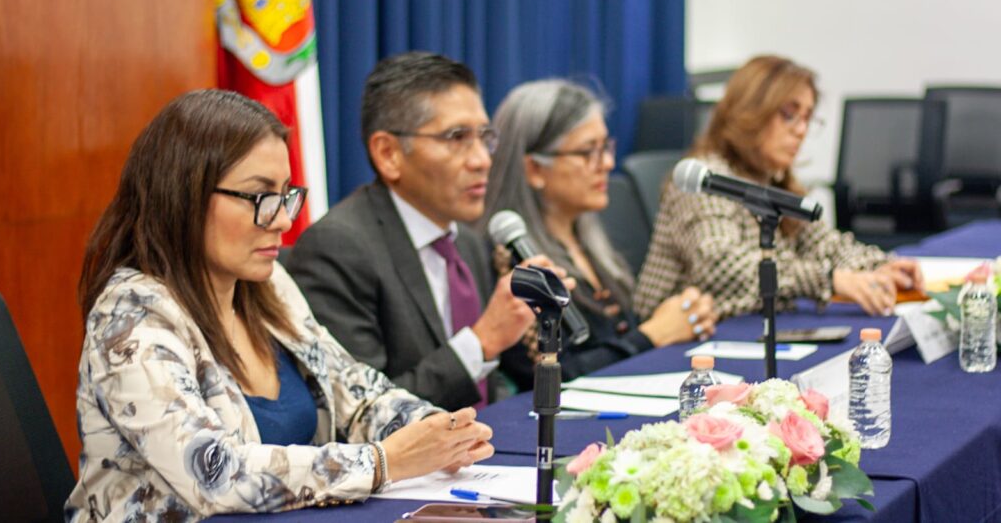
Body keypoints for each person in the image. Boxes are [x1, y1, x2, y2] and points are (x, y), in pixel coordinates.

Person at [67, 90, 493, 521]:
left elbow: (359, 395)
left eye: (287, 195)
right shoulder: (131, 315)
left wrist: (440, 430)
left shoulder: (269, 285)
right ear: (183, 196)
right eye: (260, 197)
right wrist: (381, 462)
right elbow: (214, 474)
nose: (285, 221)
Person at [287, 52, 549, 411]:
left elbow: (489, 389)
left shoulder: (467, 242)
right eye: (457, 137)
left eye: (484, 137)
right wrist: (482, 342)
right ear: (388, 154)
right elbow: (362, 411)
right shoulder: (337, 248)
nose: (482, 160)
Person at [635, 55, 924, 321]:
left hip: (744, 327)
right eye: (789, 115)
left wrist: (877, 267)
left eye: (807, 118)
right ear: (749, 113)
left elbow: (824, 244)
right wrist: (830, 279)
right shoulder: (706, 179)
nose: (801, 130)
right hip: (677, 342)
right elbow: (721, 268)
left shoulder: (772, 180)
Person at [478, 79, 718, 387]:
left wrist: (681, 317)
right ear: (535, 169)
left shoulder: (591, 239)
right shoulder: (509, 256)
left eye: (606, 147)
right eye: (587, 152)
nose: (607, 163)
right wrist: (653, 334)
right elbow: (546, 377)